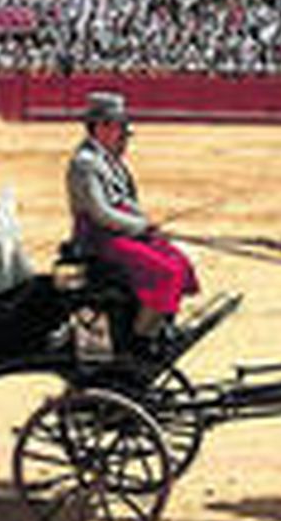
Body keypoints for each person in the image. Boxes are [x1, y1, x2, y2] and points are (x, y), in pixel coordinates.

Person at [65, 91, 199, 351]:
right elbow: (100, 212)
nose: (122, 134)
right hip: (99, 239)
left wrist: (145, 224)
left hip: (117, 233)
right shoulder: (85, 163)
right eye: (118, 126)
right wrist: (138, 227)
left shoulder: (107, 159)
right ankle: (141, 340)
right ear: (101, 127)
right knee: (165, 272)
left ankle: (159, 326)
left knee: (177, 260)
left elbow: (124, 201)